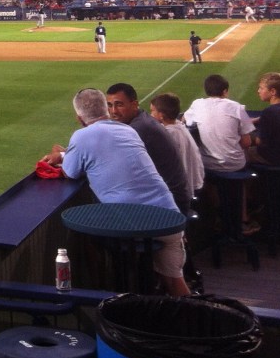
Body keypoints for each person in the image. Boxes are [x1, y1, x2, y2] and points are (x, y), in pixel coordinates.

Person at [40, 88, 189, 296]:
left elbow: (70, 173)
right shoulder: (128, 130)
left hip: (132, 225)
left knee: (88, 241)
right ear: (106, 110)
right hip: (169, 219)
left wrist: (61, 154)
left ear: (79, 117)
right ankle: (191, 324)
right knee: (175, 284)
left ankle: (102, 299)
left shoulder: (81, 136)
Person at [106, 82, 191, 214]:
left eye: (119, 104)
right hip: (168, 196)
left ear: (134, 104)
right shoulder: (142, 120)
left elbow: (109, 162)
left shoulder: (139, 128)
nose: (113, 111)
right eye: (110, 105)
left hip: (169, 204)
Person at [183, 74, 254, 173]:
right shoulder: (236, 107)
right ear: (225, 91)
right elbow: (247, 143)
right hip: (235, 165)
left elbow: (184, 119)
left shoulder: (197, 104)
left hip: (207, 164)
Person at [150, 93, 205, 200]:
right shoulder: (179, 125)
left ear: (161, 115)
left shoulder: (169, 134)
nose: (150, 115)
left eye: (152, 111)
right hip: (196, 181)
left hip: (186, 190)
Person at [246, 72, 280, 167]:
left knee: (238, 153)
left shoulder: (269, 112)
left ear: (273, 92)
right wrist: (257, 119)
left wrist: (244, 135)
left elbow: (259, 142)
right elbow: (277, 115)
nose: (258, 91)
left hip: (277, 159)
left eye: (261, 88)